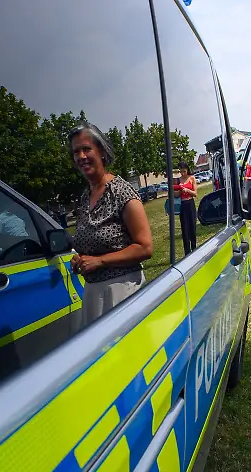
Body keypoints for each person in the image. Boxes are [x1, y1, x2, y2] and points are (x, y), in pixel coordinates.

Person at [68, 122, 153, 327]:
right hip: (93, 295)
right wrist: (81, 259)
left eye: (86, 148)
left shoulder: (122, 192)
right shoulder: (85, 197)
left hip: (122, 293)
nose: (81, 156)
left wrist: (100, 261)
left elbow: (145, 247)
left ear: (102, 151)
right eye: (76, 152)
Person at [174, 161, 198, 256]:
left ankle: (194, 248)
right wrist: (179, 190)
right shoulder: (178, 180)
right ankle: (187, 252)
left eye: (184, 171)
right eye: (181, 171)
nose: (183, 173)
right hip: (183, 205)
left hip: (190, 203)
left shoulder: (192, 178)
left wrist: (187, 190)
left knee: (192, 226)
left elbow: (195, 194)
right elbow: (176, 195)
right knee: (185, 228)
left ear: (187, 169)